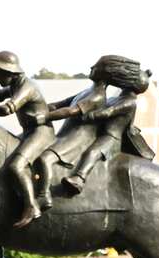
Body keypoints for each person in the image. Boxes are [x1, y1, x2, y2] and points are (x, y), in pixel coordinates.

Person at [0, 50, 53, 228]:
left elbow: (8, 108)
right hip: (29, 132)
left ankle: (32, 206)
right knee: (3, 157)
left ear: (9, 72)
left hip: (41, 132)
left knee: (16, 165)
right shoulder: (15, 84)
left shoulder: (27, 87)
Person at [62, 61, 155, 195]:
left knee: (93, 152)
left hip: (111, 138)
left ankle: (79, 178)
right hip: (100, 133)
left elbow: (108, 112)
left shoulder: (129, 102)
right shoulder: (115, 98)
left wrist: (88, 115)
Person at [33, 57, 114, 211]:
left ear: (105, 74)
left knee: (44, 159)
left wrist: (45, 117)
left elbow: (70, 111)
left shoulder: (97, 96)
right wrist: (39, 107)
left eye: (96, 66)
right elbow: (62, 103)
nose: (91, 67)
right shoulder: (87, 91)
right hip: (66, 133)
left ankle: (44, 196)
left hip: (78, 138)